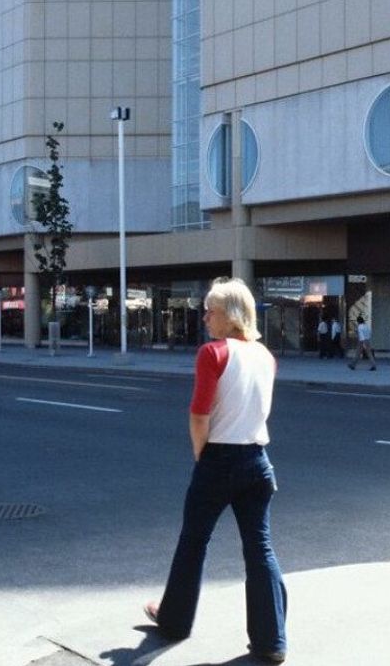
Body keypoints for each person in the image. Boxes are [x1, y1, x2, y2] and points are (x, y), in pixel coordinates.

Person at [145, 277, 287, 662]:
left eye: (211, 310)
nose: (204, 316)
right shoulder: (266, 357)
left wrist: (201, 455)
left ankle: (174, 621)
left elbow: (199, 414)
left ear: (233, 316)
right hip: (258, 460)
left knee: (194, 541)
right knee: (260, 548)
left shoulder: (213, 353)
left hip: (219, 458)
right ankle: (272, 641)